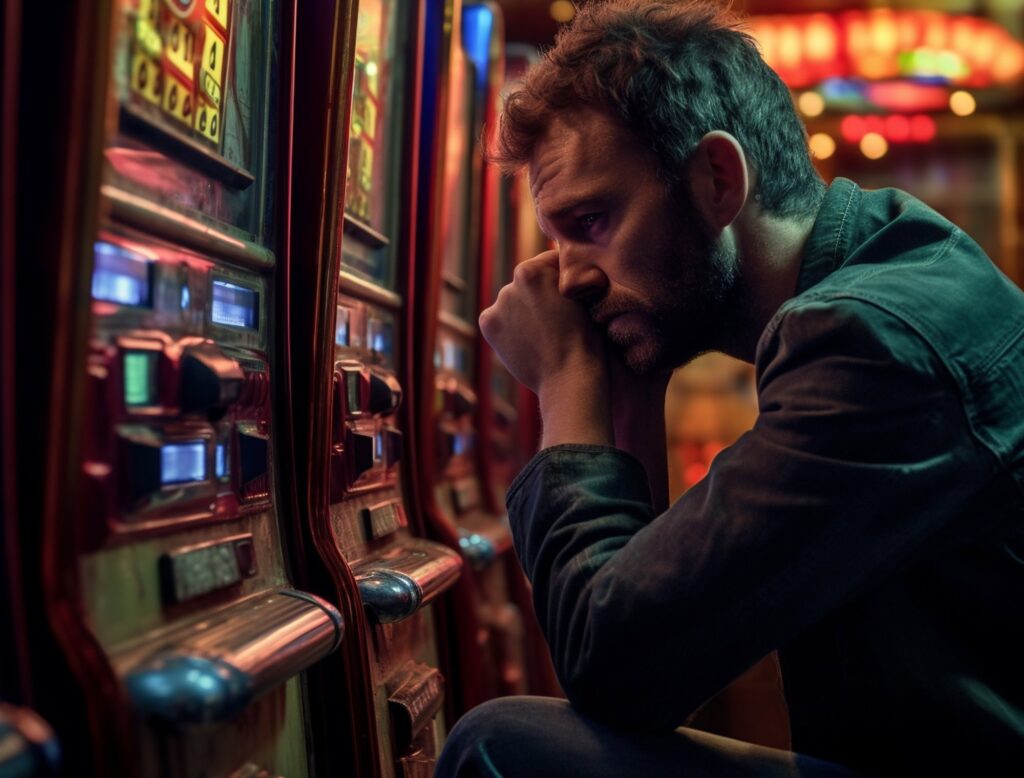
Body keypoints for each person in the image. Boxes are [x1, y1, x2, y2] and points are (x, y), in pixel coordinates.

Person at [435, 1, 1024, 776]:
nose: (568, 275)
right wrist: (631, 392)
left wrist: (565, 381)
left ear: (718, 179)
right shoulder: (889, 265)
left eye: (593, 221)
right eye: (556, 235)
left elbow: (612, 665)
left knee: (498, 746)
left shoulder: (870, 344)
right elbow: (657, 658)